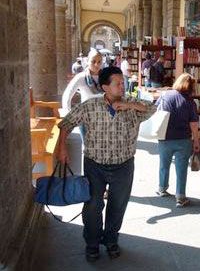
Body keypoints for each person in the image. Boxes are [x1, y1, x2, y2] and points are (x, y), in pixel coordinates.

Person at [56, 66, 156, 262]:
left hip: (124, 166)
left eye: (123, 83)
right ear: (105, 87)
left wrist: (130, 106)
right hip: (95, 165)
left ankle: (111, 240)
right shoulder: (90, 106)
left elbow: (153, 108)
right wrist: (62, 149)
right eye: (117, 84)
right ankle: (92, 243)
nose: (122, 87)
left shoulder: (132, 104)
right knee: (93, 206)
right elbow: (66, 124)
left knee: (117, 206)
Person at [156, 73, 200, 208]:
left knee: (164, 164)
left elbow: (155, 110)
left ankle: (162, 188)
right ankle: (180, 197)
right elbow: (193, 124)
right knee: (181, 168)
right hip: (183, 139)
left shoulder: (166, 95)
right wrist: (196, 141)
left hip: (165, 137)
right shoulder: (190, 102)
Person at [61, 49, 104, 118]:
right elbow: (67, 94)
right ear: (87, 61)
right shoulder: (81, 77)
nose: (96, 64)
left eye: (99, 62)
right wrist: (67, 113)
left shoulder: (107, 76)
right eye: (93, 61)